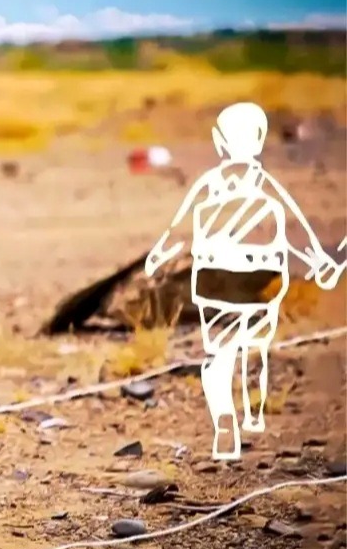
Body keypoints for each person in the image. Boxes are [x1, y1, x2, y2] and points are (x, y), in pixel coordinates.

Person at [145, 102, 343, 460]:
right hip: (259, 281)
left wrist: (159, 254)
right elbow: (295, 225)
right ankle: (250, 412)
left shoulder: (208, 185)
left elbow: (178, 229)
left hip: (215, 282)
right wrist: (320, 263)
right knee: (253, 349)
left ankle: (226, 420)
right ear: (261, 140)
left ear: (219, 141)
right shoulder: (267, 186)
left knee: (219, 356)